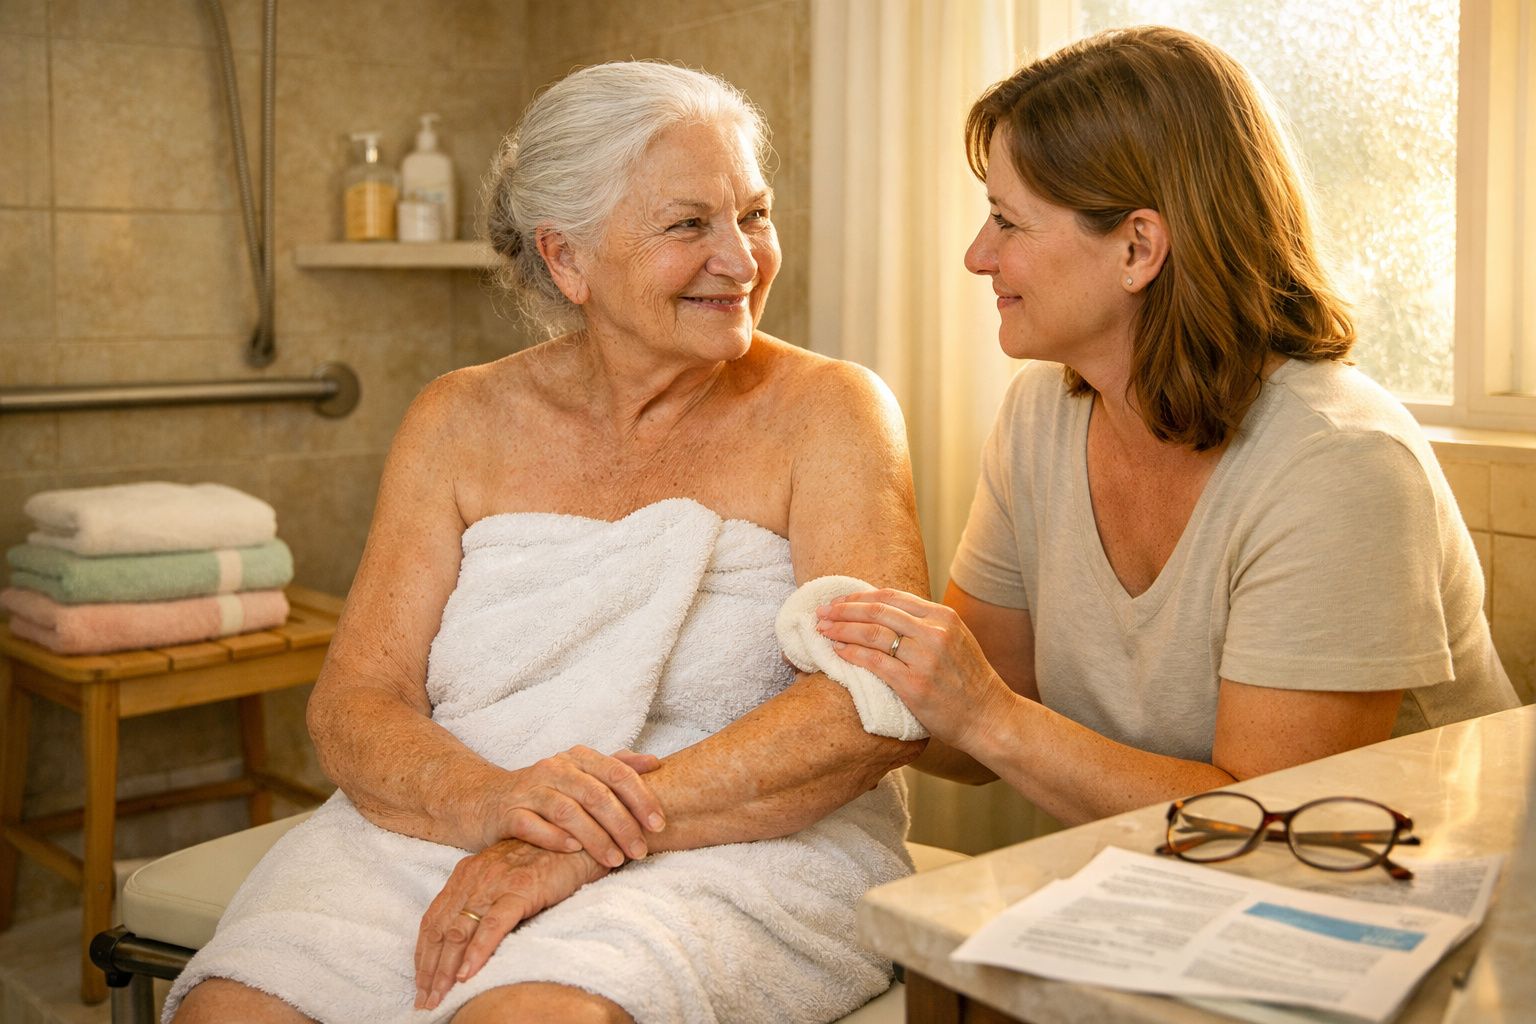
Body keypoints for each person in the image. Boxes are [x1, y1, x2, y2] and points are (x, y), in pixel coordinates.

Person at [167, 61, 928, 1024]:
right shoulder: (458, 420)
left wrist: (573, 840)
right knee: (235, 1014)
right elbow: (357, 702)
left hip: (740, 841)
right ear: (566, 258)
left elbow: (872, 702)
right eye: (689, 225)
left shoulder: (832, 413)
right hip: (456, 818)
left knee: (529, 1016)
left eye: (755, 214)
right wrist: (492, 803)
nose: (743, 260)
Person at [815, 26, 1517, 829]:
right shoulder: (1039, 418)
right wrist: (830, 648)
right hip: (1165, 904)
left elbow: (1271, 828)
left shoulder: (1339, 466)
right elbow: (971, 738)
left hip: (1406, 913)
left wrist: (983, 714)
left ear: (1138, 248)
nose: (978, 256)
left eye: (1008, 222)